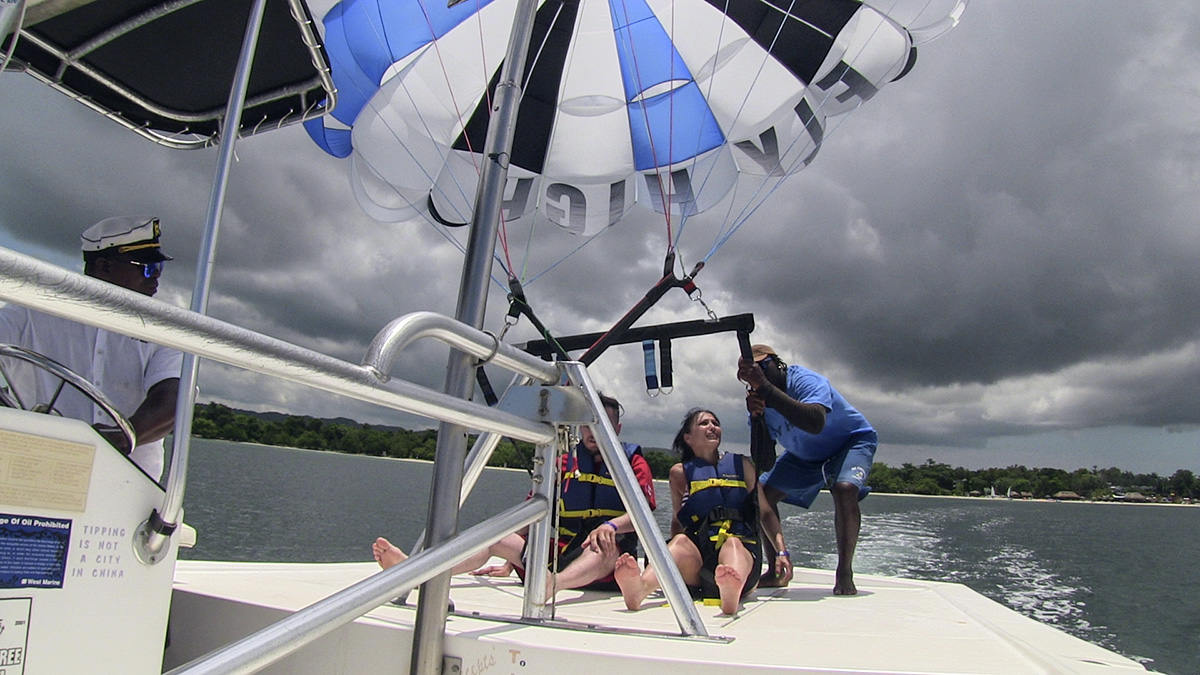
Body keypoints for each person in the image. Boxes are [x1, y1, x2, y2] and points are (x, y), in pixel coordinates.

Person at [373, 393, 657, 599]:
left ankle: (549, 586)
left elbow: (644, 514)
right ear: (579, 426)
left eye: (603, 425)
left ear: (617, 429)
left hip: (607, 560)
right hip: (560, 554)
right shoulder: (562, 463)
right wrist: (512, 561)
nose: (593, 431)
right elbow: (530, 513)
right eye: (588, 423)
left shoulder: (633, 463)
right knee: (497, 536)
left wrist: (610, 526)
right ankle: (419, 575)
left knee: (599, 548)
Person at [0, 216, 183, 481]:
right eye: (147, 267)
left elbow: (172, 400)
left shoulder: (167, 328)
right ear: (104, 267)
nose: (155, 276)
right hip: (37, 474)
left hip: (128, 487)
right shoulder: (32, 312)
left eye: (158, 268)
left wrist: (123, 437)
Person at [613, 409, 790, 615]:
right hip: (701, 562)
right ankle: (640, 589)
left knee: (732, 544)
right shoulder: (679, 474)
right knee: (679, 542)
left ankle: (731, 591)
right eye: (704, 423)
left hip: (743, 557)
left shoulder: (742, 465)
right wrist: (667, 559)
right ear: (688, 438)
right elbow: (678, 522)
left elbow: (766, 513)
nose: (712, 426)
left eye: (715, 422)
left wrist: (781, 552)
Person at [737, 344, 877, 595]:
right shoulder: (762, 404)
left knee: (844, 489)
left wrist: (766, 388)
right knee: (761, 496)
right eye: (749, 374)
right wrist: (758, 418)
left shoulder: (804, 380)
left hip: (849, 442)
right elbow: (764, 461)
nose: (757, 376)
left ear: (778, 364)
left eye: (762, 367)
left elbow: (815, 422)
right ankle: (775, 568)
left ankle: (844, 571)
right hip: (804, 456)